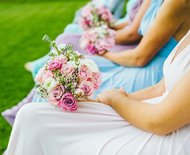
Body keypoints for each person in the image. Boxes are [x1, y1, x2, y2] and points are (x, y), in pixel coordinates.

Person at [6, 29, 190, 155]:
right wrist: (107, 100)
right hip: (156, 111)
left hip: (170, 138)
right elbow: (161, 88)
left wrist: (115, 100)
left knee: (42, 122)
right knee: (32, 115)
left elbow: (161, 123)